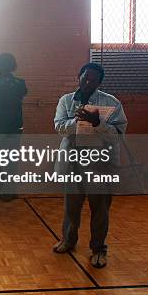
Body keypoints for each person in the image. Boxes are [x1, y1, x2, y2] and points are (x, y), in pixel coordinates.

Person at [53, 62, 127, 268]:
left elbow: (119, 133)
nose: (88, 82)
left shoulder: (111, 103)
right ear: (79, 76)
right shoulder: (66, 100)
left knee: (100, 208)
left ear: (99, 83)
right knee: (71, 206)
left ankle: (98, 249)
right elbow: (59, 127)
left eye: (93, 80)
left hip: (100, 163)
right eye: (85, 77)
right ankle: (68, 240)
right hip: (73, 161)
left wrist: (97, 123)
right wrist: (77, 122)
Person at [0, 53, 28, 201]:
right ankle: (9, 191)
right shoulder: (20, 83)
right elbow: (21, 95)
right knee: (12, 159)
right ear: (13, 66)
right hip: (14, 125)